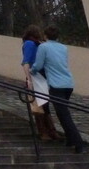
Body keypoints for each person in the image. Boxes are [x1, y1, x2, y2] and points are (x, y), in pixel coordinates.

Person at [32, 25, 85, 154]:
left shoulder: (43, 47)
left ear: (45, 36)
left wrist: (31, 70)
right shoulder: (63, 47)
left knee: (64, 114)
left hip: (56, 85)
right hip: (68, 83)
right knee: (62, 112)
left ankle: (79, 144)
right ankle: (70, 140)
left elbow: (38, 65)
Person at [21, 24, 58, 141]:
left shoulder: (37, 44)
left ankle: (50, 131)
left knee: (44, 104)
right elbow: (26, 61)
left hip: (41, 76)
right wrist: (29, 79)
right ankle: (45, 132)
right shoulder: (30, 44)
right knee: (39, 105)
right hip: (35, 76)